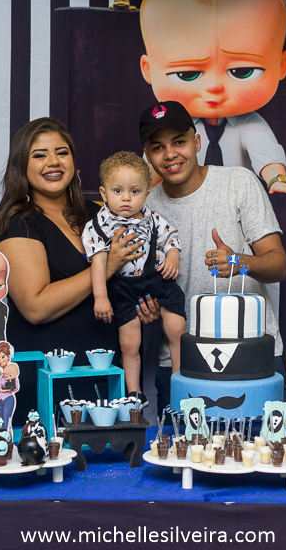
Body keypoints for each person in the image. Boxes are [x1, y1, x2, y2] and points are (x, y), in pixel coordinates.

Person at [0, 118, 160, 413]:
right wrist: (106, 268)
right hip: (51, 377)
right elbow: (34, 307)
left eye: (62, 152)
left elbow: (130, 277)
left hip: (106, 370)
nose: (53, 162)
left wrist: (144, 304)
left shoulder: (99, 213)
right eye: (39, 154)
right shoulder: (18, 222)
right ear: (22, 165)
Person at [140, 100, 286, 412]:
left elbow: (279, 265)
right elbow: (141, 280)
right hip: (181, 359)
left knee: (259, 451)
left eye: (179, 142)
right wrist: (146, 303)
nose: (170, 154)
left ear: (196, 142)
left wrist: (239, 261)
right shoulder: (144, 209)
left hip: (250, 350)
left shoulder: (239, 183)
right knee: (182, 454)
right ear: (148, 155)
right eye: (158, 147)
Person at [139, 0, 286, 194]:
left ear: (281, 65)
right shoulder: (170, 126)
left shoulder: (249, 123)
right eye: (187, 74)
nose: (214, 87)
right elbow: (153, 164)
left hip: (235, 202)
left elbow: (265, 152)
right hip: (182, 202)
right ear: (148, 69)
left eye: (242, 71)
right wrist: (138, 188)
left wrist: (276, 179)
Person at [81, 151, 187, 402]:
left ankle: (178, 379)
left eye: (135, 191)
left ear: (147, 193)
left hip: (157, 281)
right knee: (129, 344)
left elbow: (171, 238)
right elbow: (98, 263)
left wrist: (173, 256)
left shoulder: (153, 219)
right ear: (104, 193)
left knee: (177, 328)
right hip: (125, 289)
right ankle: (134, 392)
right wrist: (100, 297)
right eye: (118, 191)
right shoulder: (97, 226)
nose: (126, 198)